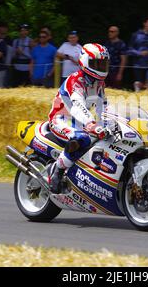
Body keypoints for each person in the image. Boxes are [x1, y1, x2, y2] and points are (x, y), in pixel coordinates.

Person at [47, 43, 110, 193]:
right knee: (81, 138)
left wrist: (108, 123)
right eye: (97, 63)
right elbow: (77, 106)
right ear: (86, 61)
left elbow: (103, 106)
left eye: (103, 63)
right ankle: (57, 172)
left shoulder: (99, 83)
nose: (101, 67)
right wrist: (91, 123)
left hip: (80, 122)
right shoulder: (75, 80)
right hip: (60, 119)